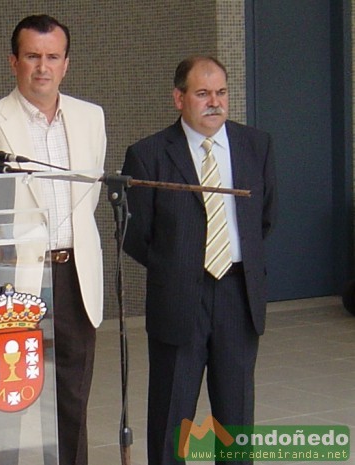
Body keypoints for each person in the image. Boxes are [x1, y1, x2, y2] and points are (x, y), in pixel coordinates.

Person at [121, 56, 277, 465]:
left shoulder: (255, 145)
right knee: (173, 415)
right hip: (178, 297)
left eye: (221, 92)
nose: (215, 102)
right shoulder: (148, 154)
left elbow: (264, 217)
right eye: (203, 93)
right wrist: (177, 267)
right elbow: (135, 235)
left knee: (236, 416)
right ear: (179, 98)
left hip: (238, 293)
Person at [0, 14, 106, 465]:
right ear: (14, 62)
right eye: (32, 56)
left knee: (72, 400)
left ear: (66, 64)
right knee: (8, 401)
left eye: (52, 57)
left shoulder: (91, 117)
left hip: (75, 276)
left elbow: (89, 198)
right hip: (14, 282)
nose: (42, 67)